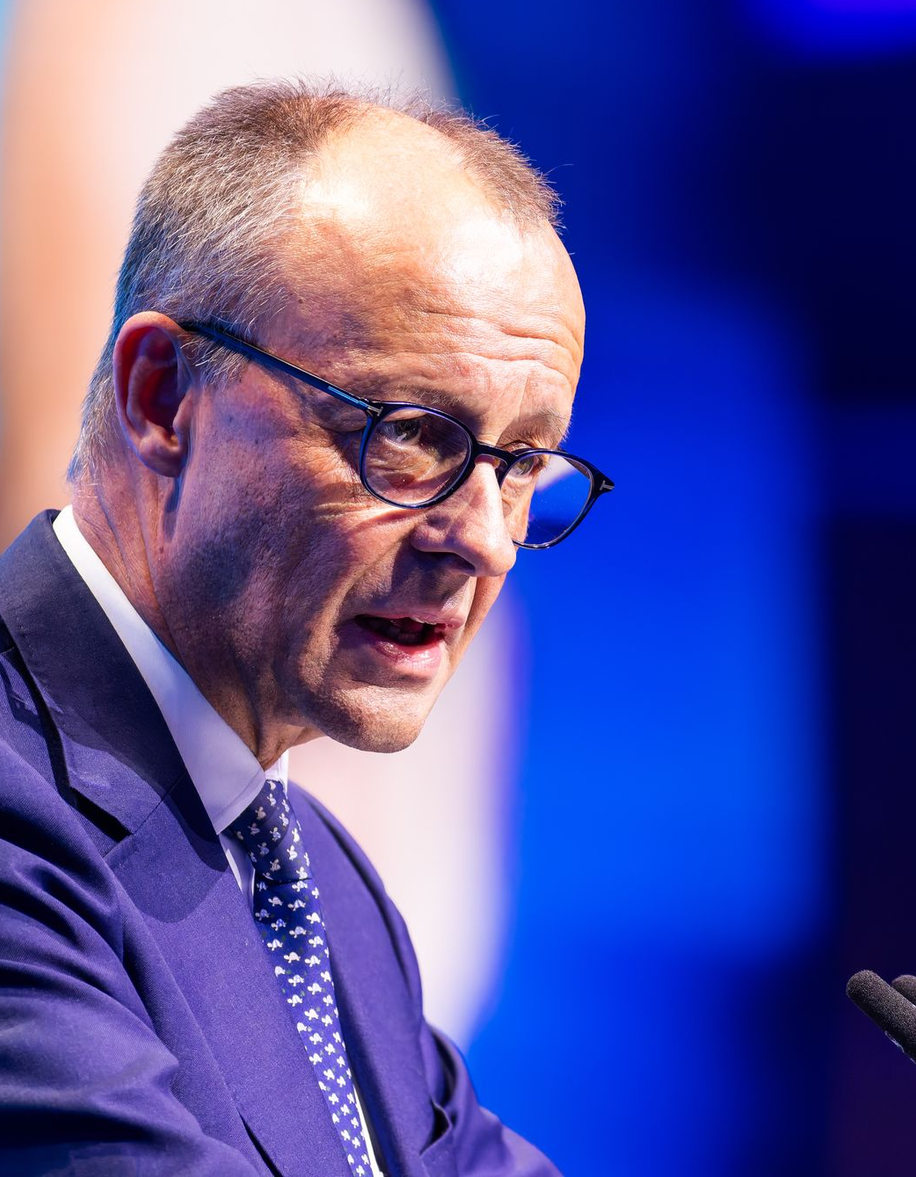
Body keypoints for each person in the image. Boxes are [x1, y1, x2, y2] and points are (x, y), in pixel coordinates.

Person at [0, 80, 612, 1176]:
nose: (484, 540)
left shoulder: (315, 878)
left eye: (521, 466)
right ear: (161, 397)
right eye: (416, 435)